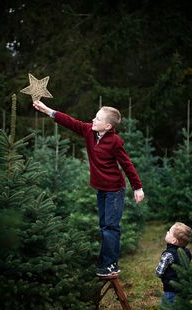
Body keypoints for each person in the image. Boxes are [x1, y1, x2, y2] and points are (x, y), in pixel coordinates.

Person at [33, 101, 144, 277]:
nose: (93, 119)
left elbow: (127, 164)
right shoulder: (89, 131)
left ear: (107, 126)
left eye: (97, 118)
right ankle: (104, 262)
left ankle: (111, 265)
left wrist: (137, 188)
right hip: (101, 189)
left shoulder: (115, 141)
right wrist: (48, 110)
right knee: (103, 226)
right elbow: (70, 121)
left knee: (111, 227)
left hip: (115, 190)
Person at [155, 222, 192, 310]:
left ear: (174, 241)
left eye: (169, 232)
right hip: (183, 287)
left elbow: (159, 272)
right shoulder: (187, 252)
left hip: (170, 289)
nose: (167, 232)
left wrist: (159, 273)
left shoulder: (168, 254)